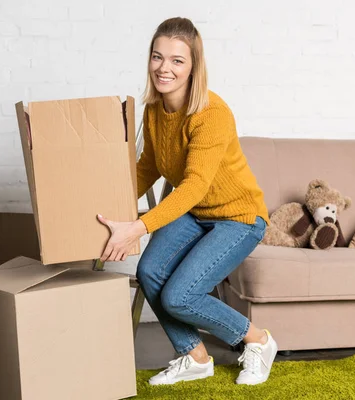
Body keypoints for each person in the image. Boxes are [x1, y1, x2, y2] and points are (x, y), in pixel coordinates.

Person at [96, 17, 277, 386]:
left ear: (194, 65)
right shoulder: (153, 110)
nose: (165, 68)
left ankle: (258, 340)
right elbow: (148, 168)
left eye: (177, 60)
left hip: (239, 218)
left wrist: (138, 227)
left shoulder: (211, 113)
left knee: (180, 296)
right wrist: (106, 203)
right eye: (158, 57)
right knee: (149, 272)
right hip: (197, 213)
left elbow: (194, 185)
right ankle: (195, 357)